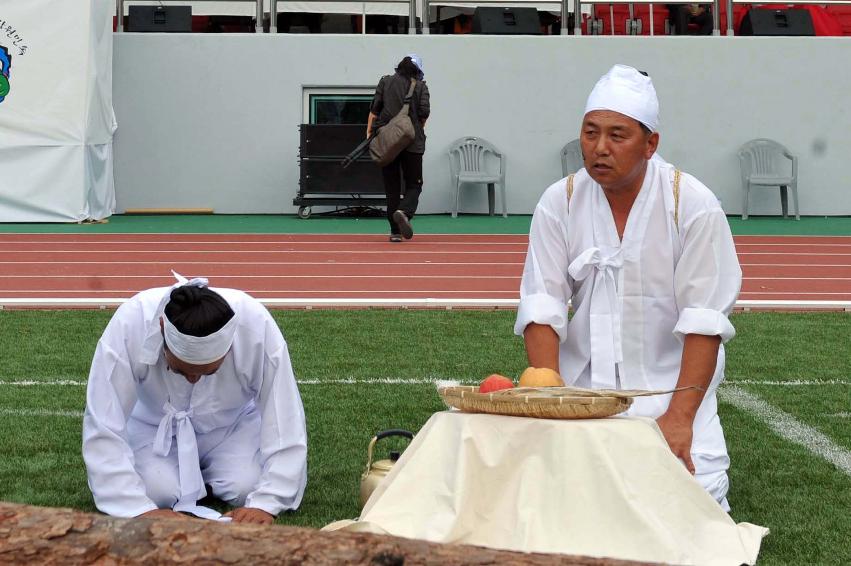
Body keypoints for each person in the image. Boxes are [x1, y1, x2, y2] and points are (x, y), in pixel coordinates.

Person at [514, 64, 741, 509]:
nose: (600, 148)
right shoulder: (558, 201)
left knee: (691, 508)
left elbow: (705, 320)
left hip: (672, 398)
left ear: (651, 143)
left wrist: (679, 420)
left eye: (618, 136)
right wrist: (550, 395)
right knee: (557, 510)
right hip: (580, 397)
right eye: (590, 132)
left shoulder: (691, 204)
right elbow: (542, 305)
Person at [82, 273, 307, 524]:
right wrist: (138, 509)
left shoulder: (255, 324)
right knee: (158, 491)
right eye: (180, 371)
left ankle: (207, 475)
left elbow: (283, 412)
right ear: (161, 330)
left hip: (231, 425)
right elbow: (103, 419)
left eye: (208, 372)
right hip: (153, 425)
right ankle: (183, 479)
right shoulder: (131, 322)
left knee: (245, 487)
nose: (193, 380)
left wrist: (268, 502)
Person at [367, 54, 430, 242]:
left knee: (392, 187)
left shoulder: (385, 82)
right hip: (412, 142)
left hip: (387, 141)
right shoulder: (421, 86)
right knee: (414, 184)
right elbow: (424, 114)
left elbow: (374, 111)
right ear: (418, 71)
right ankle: (404, 211)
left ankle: (395, 232)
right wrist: (414, 130)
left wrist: (370, 135)